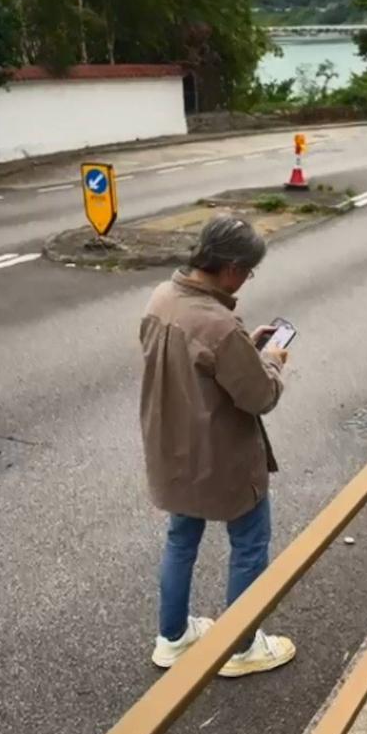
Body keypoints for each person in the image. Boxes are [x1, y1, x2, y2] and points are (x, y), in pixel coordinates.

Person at [139, 216, 295, 677]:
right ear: (229, 268)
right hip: (222, 458)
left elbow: (193, 365)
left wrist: (246, 347)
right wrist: (268, 361)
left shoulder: (161, 298)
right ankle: (241, 648)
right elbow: (259, 396)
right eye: (248, 271)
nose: (247, 280)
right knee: (249, 544)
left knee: (180, 540)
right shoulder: (219, 325)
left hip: (172, 449)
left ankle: (172, 639)